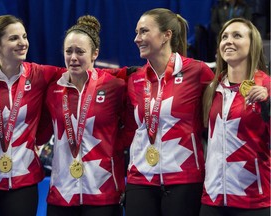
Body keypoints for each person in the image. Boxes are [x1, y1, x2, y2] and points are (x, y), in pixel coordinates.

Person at [122, 8, 215, 216]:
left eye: (144, 31)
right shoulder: (135, 79)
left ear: (167, 35)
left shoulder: (197, 71)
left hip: (184, 179)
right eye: (137, 32)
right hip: (140, 178)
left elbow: (230, 90)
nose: (137, 39)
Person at [0, 15, 65, 216]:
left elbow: (80, 72)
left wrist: (128, 74)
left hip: (22, 179)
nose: (23, 43)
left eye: (24, 36)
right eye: (13, 38)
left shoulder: (39, 75)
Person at [44, 15, 126, 216]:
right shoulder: (53, 90)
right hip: (61, 193)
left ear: (95, 54)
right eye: (68, 51)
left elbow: (133, 127)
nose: (73, 57)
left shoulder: (115, 87)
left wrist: (113, 148)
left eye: (80, 52)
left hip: (103, 192)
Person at [200, 17, 270, 216]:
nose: (228, 41)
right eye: (224, 37)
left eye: (237, 35)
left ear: (253, 44)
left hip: (253, 200)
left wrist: (269, 105)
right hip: (213, 198)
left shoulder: (267, 86)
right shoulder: (212, 88)